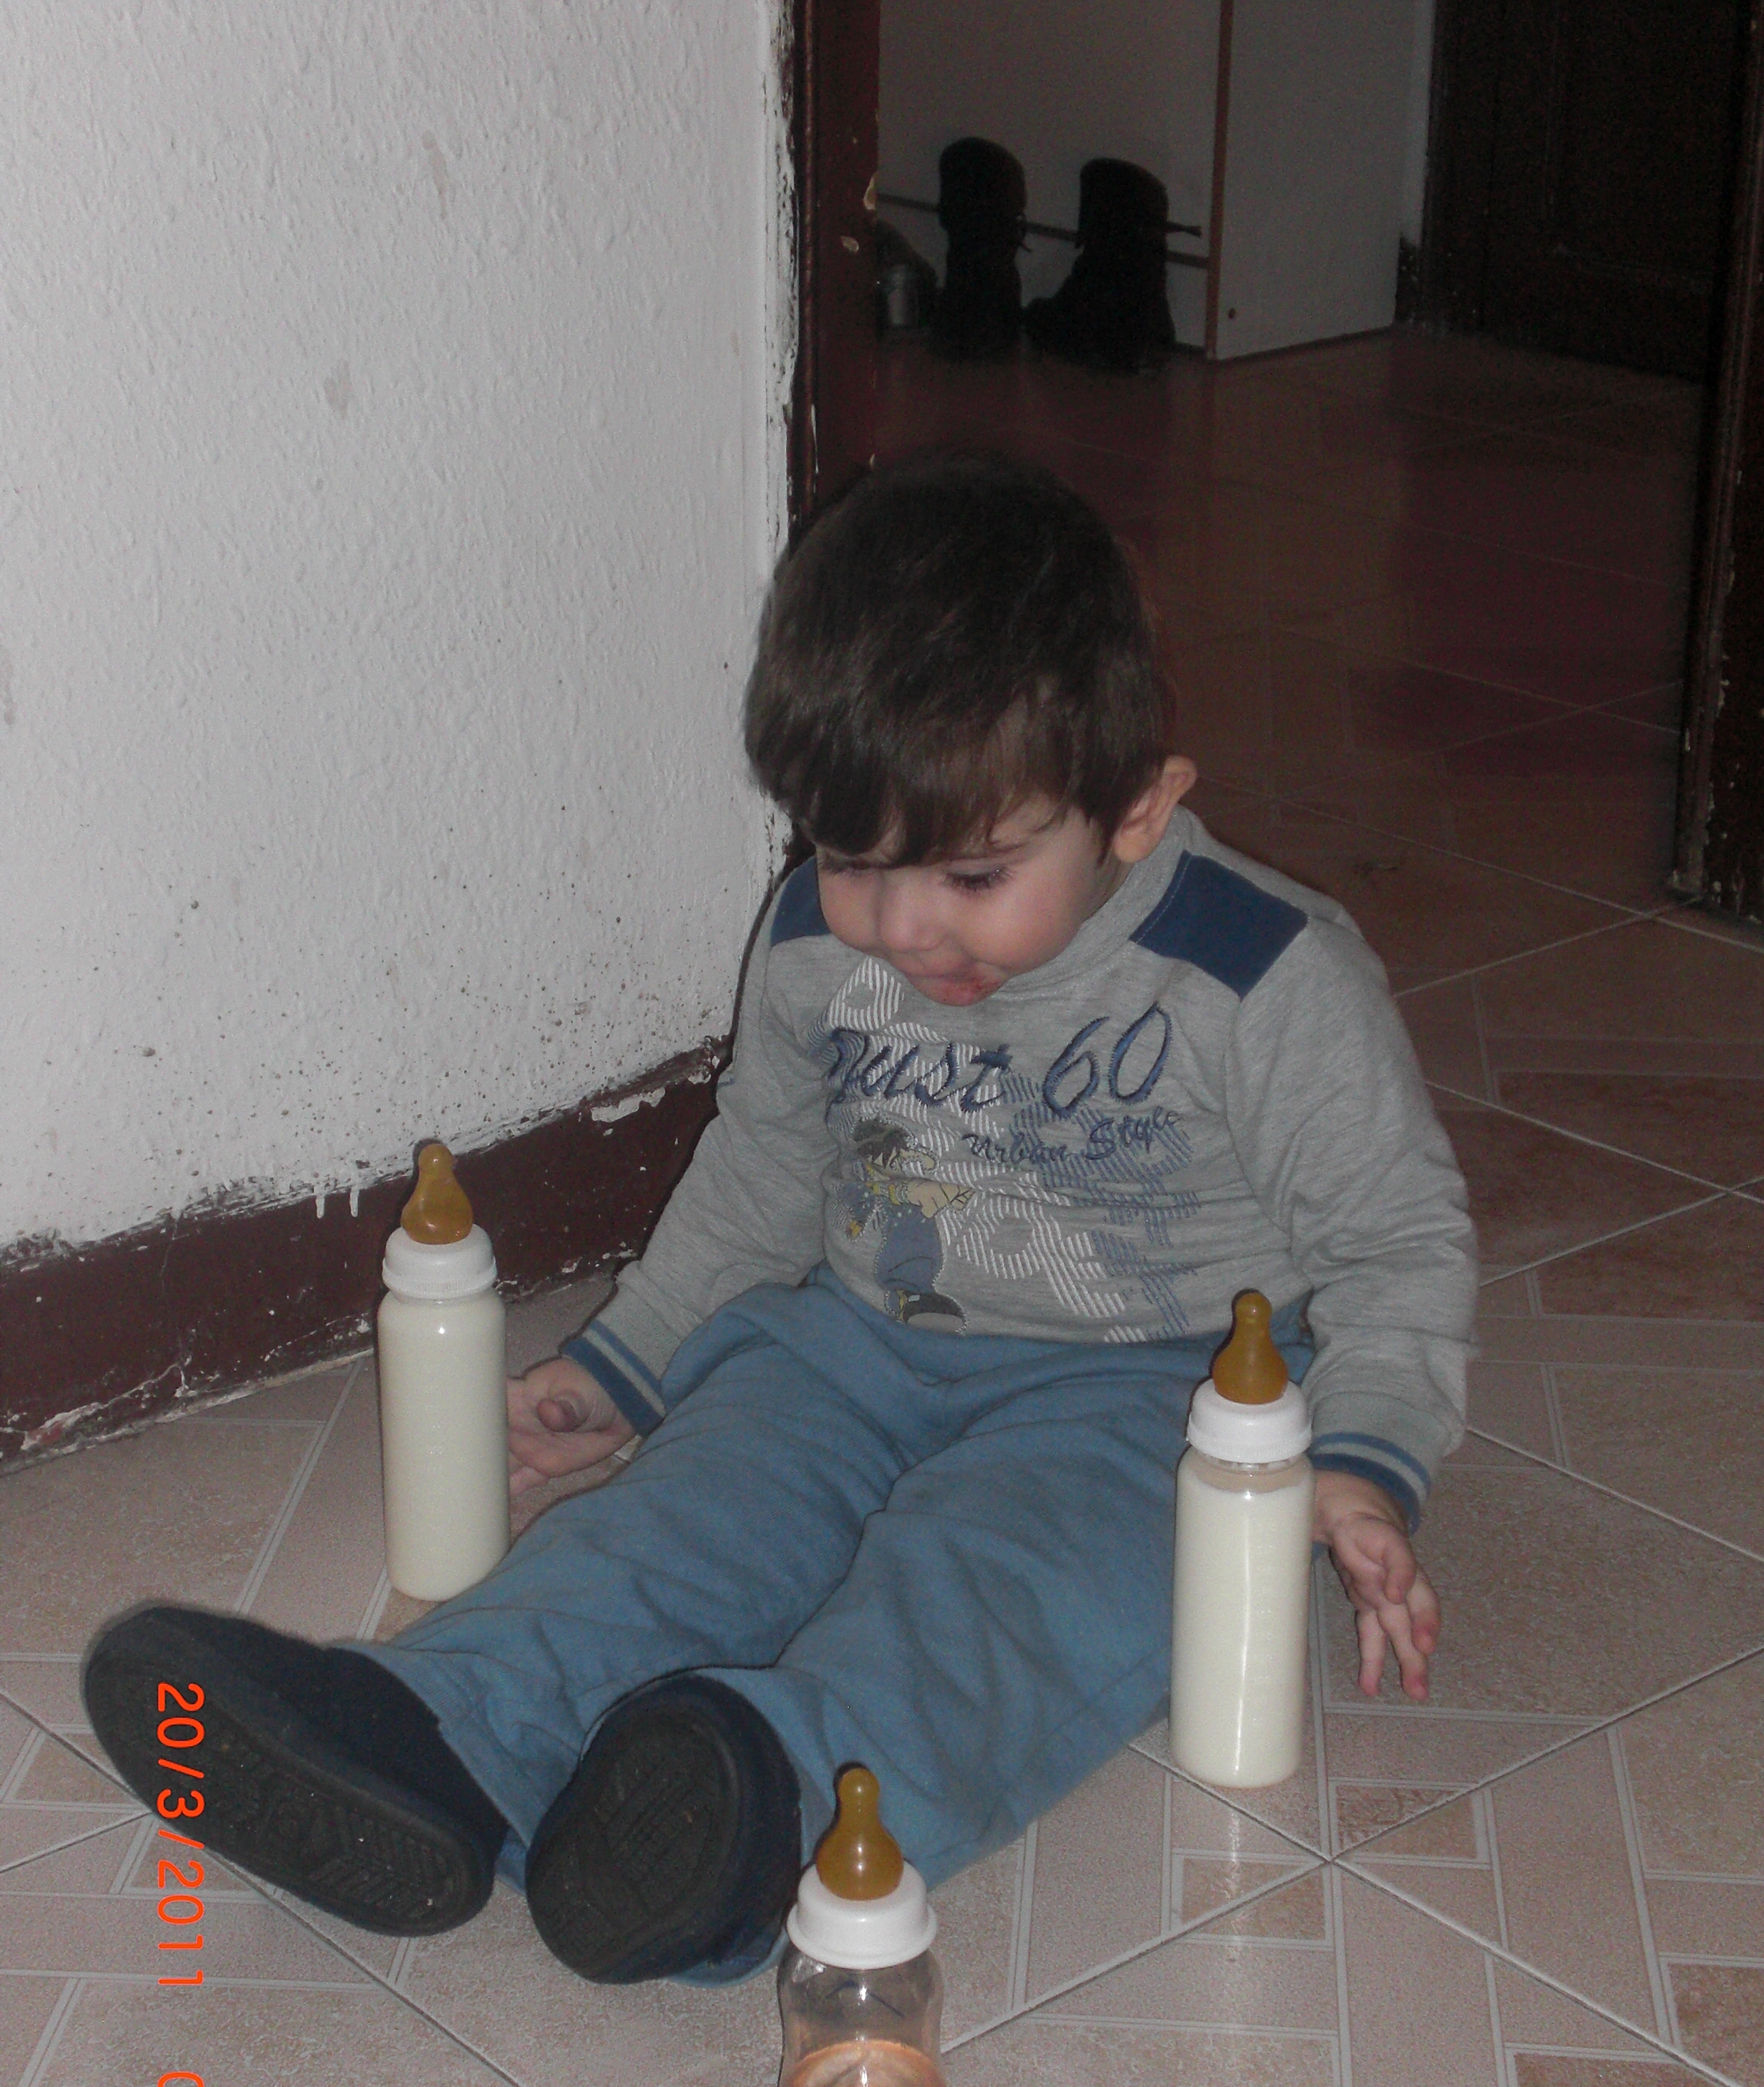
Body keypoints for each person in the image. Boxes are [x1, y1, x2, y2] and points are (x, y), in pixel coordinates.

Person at [84, 456, 1475, 1987]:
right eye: (856, 860)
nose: (904, 926)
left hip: (1152, 1403)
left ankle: (761, 1811)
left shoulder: (1263, 975)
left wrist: (1360, 1464)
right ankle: (431, 1730)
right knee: (677, 1528)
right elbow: (760, 1172)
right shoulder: (819, 934)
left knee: (986, 1598)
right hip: (851, 1350)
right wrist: (622, 1370)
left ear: (1138, 809)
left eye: (975, 873)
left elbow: (1396, 1244)